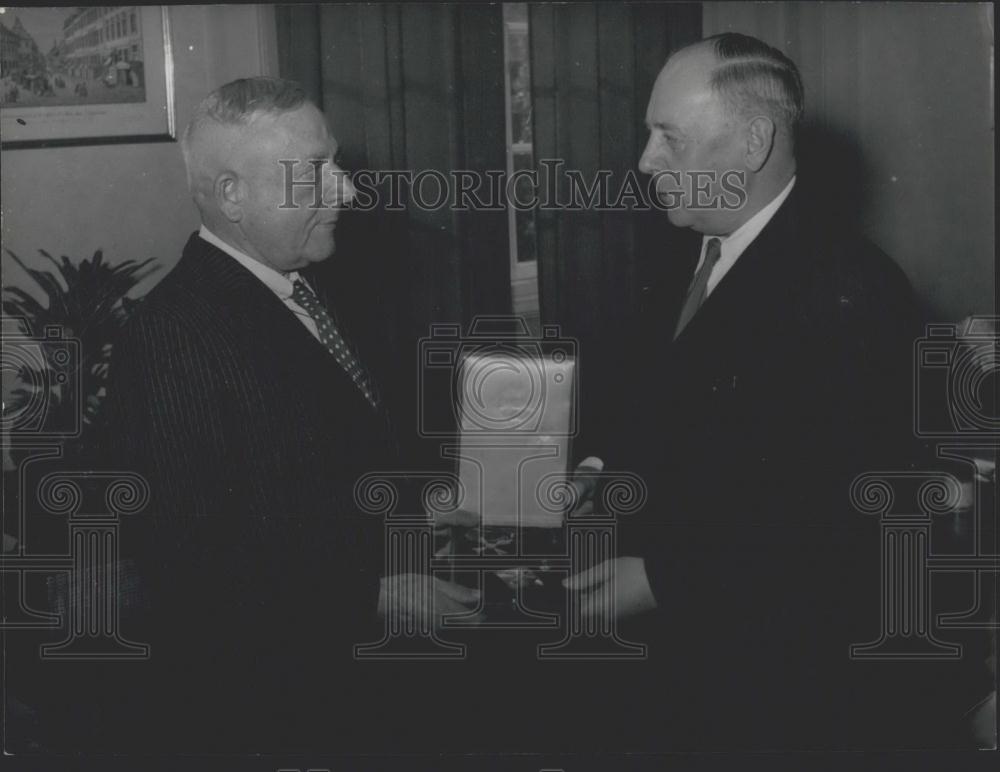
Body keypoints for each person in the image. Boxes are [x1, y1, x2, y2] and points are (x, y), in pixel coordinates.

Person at [563, 33, 983, 749]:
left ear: (753, 142)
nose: (645, 161)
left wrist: (668, 578)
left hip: (776, 686)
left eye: (670, 137)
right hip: (673, 670)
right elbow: (661, 408)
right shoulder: (680, 252)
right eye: (647, 134)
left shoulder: (853, 289)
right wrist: (597, 470)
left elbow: (841, 512)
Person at [75, 77, 478, 752]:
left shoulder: (299, 284)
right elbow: (192, 563)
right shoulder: (177, 331)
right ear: (232, 195)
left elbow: (294, 481)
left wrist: (414, 507)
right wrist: (374, 598)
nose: (346, 191)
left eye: (336, 165)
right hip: (281, 702)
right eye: (314, 173)